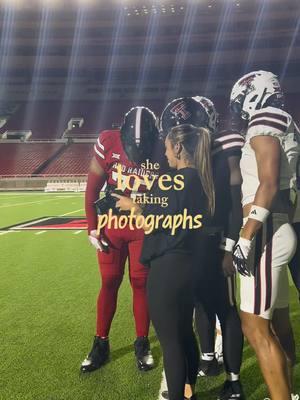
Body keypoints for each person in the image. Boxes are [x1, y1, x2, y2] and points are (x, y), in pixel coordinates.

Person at [113, 124, 214, 400]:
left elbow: (150, 226)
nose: (166, 154)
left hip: (167, 270)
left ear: (178, 147)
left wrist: (133, 207)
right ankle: (188, 391)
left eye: (168, 148)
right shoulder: (199, 179)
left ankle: (179, 395)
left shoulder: (174, 180)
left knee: (171, 342)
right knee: (184, 334)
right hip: (189, 266)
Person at [160, 96, 245, 400]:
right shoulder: (197, 159)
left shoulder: (222, 150)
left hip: (206, 245)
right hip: (199, 245)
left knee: (221, 308)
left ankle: (232, 379)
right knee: (205, 305)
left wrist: (228, 248)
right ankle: (209, 360)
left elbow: (234, 207)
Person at [230, 70, 299, 400]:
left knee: (255, 327)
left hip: (266, 233)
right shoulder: (286, 121)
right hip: (279, 226)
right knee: (280, 322)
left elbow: (268, 183)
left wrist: (246, 236)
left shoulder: (264, 119)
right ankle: (290, 390)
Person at [81, 106, 159, 373]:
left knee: (141, 283)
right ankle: (100, 342)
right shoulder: (108, 140)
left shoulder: (163, 148)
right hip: (112, 225)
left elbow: (171, 197)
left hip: (143, 224)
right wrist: (92, 228)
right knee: (109, 281)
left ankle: (142, 341)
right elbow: (91, 189)